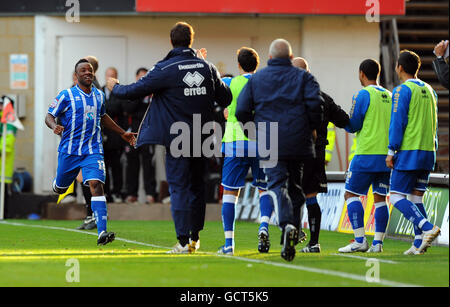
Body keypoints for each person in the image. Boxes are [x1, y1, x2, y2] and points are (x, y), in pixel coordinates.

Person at [107, 22, 232, 253]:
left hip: (178, 137)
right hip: (203, 136)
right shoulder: (207, 67)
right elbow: (226, 98)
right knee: (197, 187)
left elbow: (133, 91)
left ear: (171, 41)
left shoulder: (165, 68)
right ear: (191, 40)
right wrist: (206, 68)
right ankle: (195, 237)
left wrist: (114, 86)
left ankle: (183, 241)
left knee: (179, 188)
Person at [236, 39, 323, 261]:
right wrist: (310, 128)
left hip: (270, 140)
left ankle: (286, 225)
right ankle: (291, 233)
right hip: (299, 142)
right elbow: (316, 106)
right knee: (295, 187)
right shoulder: (305, 78)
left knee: (276, 185)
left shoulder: (257, 79)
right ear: (291, 59)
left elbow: (242, 110)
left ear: (271, 58)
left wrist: (254, 132)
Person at [46, 58, 136, 245]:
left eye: (90, 70)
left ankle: (102, 232)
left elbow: (103, 117)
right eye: (83, 70)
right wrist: (55, 126)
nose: (87, 73)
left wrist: (123, 133)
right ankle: (58, 183)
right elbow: (49, 115)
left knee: (96, 184)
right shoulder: (66, 95)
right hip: (69, 151)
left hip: (93, 149)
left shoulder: (99, 95)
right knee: (61, 188)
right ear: (76, 75)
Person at [218, 47, 274, 255]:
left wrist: (227, 113)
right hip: (263, 142)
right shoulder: (266, 85)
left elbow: (225, 107)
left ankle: (229, 244)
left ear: (239, 65)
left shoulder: (231, 83)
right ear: (257, 65)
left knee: (230, 193)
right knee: (264, 189)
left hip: (236, 142)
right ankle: (264, 226)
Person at [292, 57, 350, 253]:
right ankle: (314, 243)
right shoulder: (323, 97)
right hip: (316, 154)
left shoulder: (288, 97)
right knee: (311, 197)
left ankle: (295, 234)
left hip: (295, 153)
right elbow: (344, 120)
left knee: (293, 194)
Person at [386, 50, 441, 255]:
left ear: (399, 67)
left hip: (410, 152)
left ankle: (428, 228)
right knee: (416, 198)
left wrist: (391, 150)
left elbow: (397, 123)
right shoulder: (430, 90)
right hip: (428, 152)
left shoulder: (402, 91)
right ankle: (419, 242)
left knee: (396, 197)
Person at [338, 59, 392, 253]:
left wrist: (340, 119)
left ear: (361, 73)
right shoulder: (390, 94)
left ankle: (360, 240)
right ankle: (377, 244)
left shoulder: (362, 94)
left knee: (350, 194)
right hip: (386, 155)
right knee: (380, 198)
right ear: (378, 74)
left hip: (366, 154)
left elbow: (353, 125)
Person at [122, 67, 157, 204]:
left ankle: (150, 193)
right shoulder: (133, 92)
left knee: (148, 164)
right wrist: (140, 93)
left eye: (145, 77)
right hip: (134, 133)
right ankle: (132, 193)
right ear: (136, 78)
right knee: (132, 164)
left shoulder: (153, 93)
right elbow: (128, 109)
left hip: (149, 132)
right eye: (140, 77)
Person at [102, 67, 127, 203]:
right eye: (108, 76)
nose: (110, 79)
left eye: (113, 76)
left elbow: (119, 108)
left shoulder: (120, 93)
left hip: (116, 137)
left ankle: (117, 192)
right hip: (102, 136)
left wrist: (106, 107)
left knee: (116, 166)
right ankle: (106, 193)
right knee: (103, 167)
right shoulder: (98, 91)